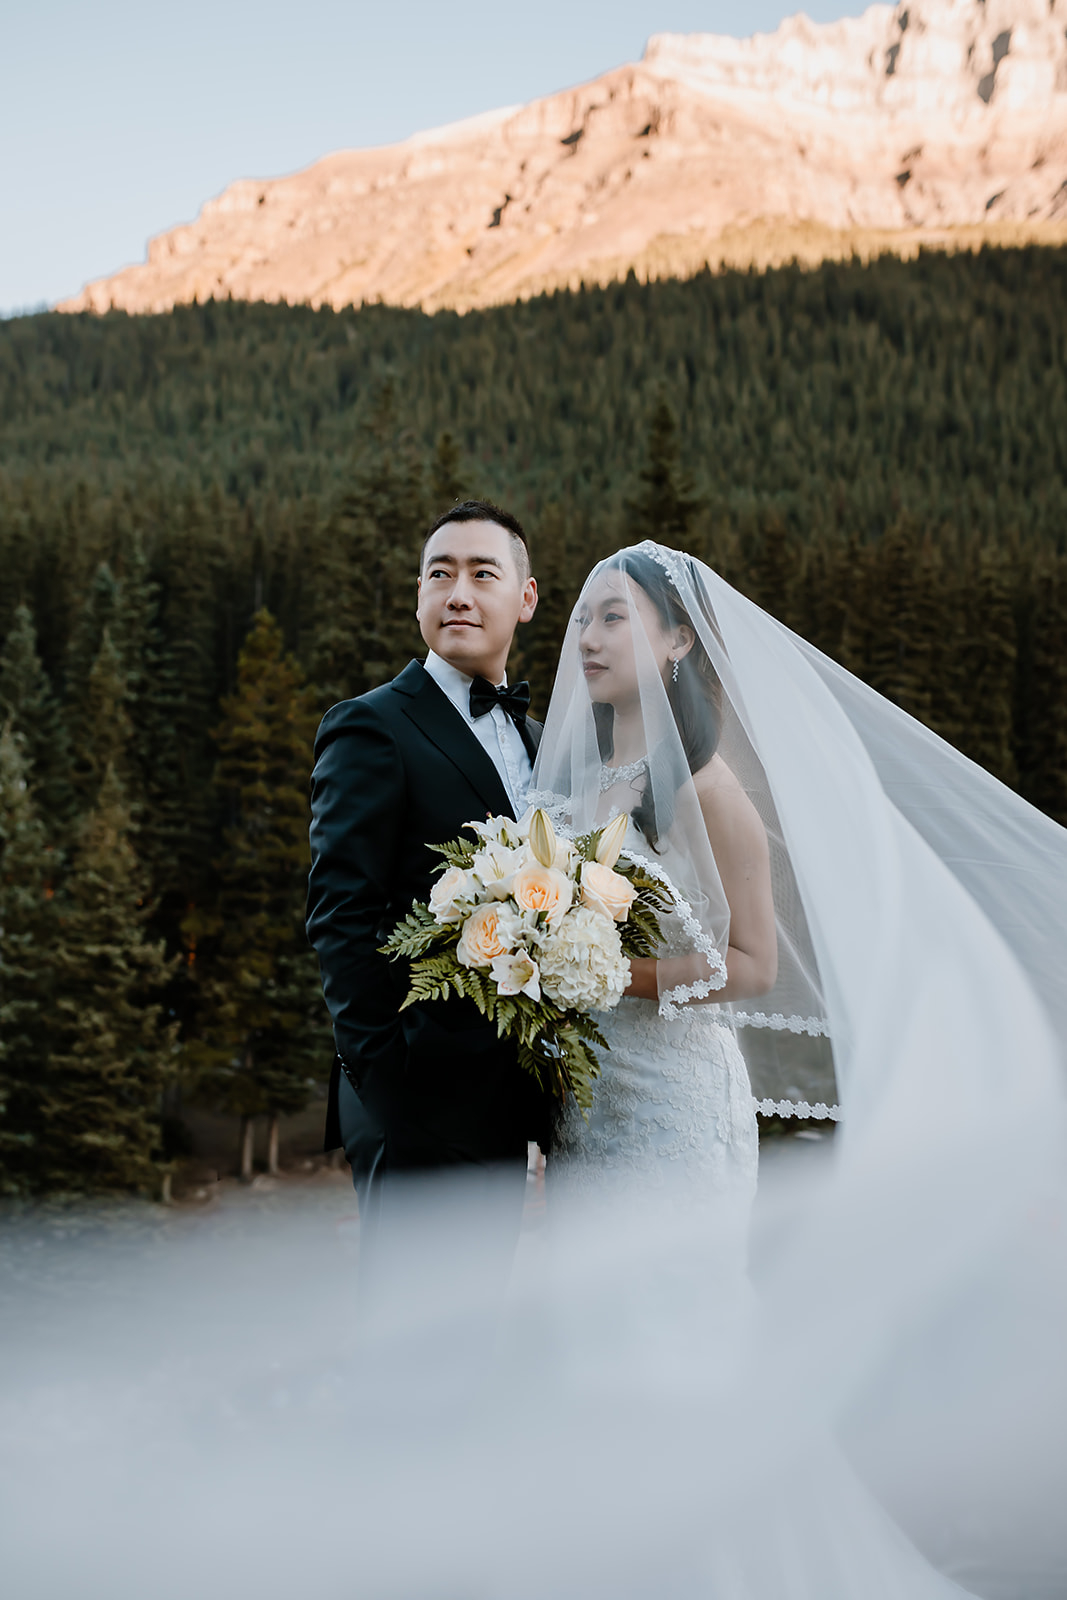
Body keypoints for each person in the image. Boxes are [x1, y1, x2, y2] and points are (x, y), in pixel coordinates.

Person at [306, 499, 555, 1277]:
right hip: (415, 1104)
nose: (458, 594)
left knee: (471, 1327)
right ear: (419, 595)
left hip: (505, 1103)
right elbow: (339, 917)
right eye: (439, 575)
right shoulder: (371, 726)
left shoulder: (540, 740)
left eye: (483, 574)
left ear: (525, 598)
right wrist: (389, 1093)